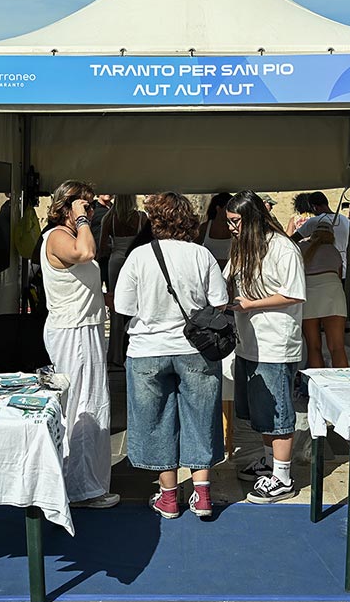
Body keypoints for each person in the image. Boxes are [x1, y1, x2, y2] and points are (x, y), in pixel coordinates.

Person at [114, 193, 228, 519]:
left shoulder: (139, 256)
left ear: (155, 220)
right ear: (188, 220)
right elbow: (219, 302)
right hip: (195, 349)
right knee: (201, 417)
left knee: (155, 421)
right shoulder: (201, 254)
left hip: (147, 350)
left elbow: (123, 306)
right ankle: (202, 495)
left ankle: (168, 497)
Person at [41, 181, 121, 508]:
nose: (90, 210)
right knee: (81, 405)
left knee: (92, 402)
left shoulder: (72, 235)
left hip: (85, 327)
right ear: (69, 206)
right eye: (85, 205)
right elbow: (86, 253)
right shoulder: (58, 236)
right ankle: (81, 489)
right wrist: (82, 218)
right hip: (72, 332)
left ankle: (84, 482)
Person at [225, 191, 305, 503]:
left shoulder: (283, 247)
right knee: (260, 412)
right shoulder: (243, 247)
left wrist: (250, 304)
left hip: (275, 343)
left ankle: (283, 478)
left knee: (277, 412)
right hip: (248, 342)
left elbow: (294, 293)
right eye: (229, 221)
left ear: (252, 218)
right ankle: (271, 464)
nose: (231, 227)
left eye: (236, 221)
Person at [99, 194, 147, 366]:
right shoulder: (141, 217)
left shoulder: (109, 218)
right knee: (138, 304)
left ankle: (115, 353)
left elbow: (102, 248)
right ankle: (132, 347)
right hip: (137, 261)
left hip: (116, 262)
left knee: (116, 306)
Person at [299, 221, 348, 370]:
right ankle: (344, 382)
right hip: (333, 293)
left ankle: (316, 383)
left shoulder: (301, 248)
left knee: (313, 347)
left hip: (309, 294)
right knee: (337, 347)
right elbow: (339, 276)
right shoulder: (334, 251)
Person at [293, 191, 350, 280]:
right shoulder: (346, 220)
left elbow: (293, 239)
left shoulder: (315, 221)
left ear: (314, 207)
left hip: (323, 269)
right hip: (344, 270)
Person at [196, 192, 233, 270]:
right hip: (209, 271)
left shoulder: (235, 229)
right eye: (228, 209)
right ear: (218, 208)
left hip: (230, 272)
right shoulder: (204, 228)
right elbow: (194, 248)